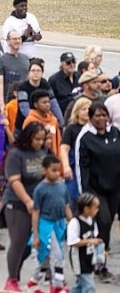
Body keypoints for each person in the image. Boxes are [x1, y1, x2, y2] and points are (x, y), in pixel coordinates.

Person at [75, 101, 120, 283]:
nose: (101, 119)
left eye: (104, 115)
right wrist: (85, 195)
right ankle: (100, 265)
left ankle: (99, 259)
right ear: (91, 118)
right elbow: (81, 167)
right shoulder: (85, 137)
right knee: (104, 222)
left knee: (108, 225)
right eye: (97, 116)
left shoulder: (115, 132)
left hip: (115, 187)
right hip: (95, 189)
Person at [0, 122, 48, 292]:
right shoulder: (16, 154)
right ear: (28, 138)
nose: (40, 143)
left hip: (39, 203)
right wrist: (28, 201)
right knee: (18, 241)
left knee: (33, 242)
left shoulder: (43, 152)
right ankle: (11, 279)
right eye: (37, 139)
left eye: (42, 139)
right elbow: (14, 181)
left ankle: (18, 271)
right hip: (17, 203)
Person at [29, 154, 73, 292]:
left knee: (47, 257)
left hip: (59, 225)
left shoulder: (62, 187)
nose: (57, 173)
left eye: (58, 170)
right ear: (44, 170)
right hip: (46, 226)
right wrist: (36, 235)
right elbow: (36, 212)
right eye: (53, 170)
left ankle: (33, 282)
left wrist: (73, 224)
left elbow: (66, 207)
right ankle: (58, 285)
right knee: (57, 255)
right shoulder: (40, 189)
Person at [67, 193, 102, 293]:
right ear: (86, 209)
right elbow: (73, 242)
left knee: (80, 286)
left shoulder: (92, 221)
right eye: (95, 208)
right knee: (89, 286)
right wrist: (89, 241)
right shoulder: (75, 222)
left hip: (89, 257)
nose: (97, 210)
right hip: (79, 259)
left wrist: (100, 249)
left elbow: (95, 236)